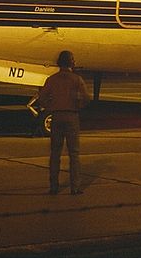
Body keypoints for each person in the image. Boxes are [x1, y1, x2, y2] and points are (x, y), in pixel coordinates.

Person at [38, 50, 90, 195]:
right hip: (72, 116)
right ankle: (75, 187)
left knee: (55, 153)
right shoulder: (76, 79)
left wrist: (51, 107)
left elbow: (42, 98)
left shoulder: (52, 79)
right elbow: (86, 98)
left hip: (56, 117)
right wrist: (77, 105)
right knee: (74, 154)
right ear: (71, 62)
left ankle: (54, 186)